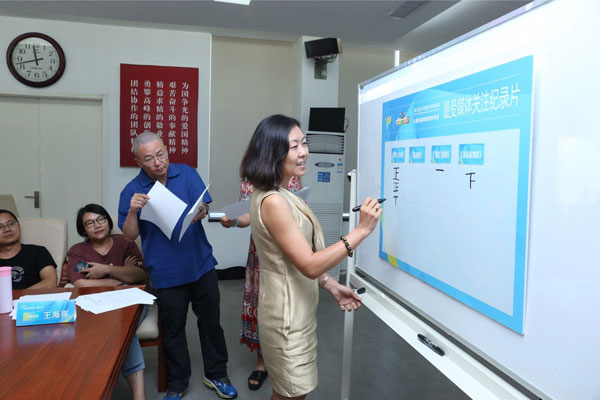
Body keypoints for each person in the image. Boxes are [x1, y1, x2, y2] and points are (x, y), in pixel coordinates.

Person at [239, 115, 382, 400]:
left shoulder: (278, 192)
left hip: (295, 310)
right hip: (286, 318)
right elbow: (308, 264)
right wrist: (361, 231)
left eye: (304, 143)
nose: (304, 152)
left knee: (291, 393)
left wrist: (330, 284)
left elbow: (294, 258)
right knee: (292, 394)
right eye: (294, 146)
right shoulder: (274, 201)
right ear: (273, 152)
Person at [118, 131, 237, 400]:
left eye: (161, 154)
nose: (158, 162)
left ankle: (217, 374)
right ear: (138, 162)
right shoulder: (132, 191)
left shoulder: (187, 173)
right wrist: (134, 210)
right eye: (149, 159)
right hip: (165, 271)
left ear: (167, 149)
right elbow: (129, 235)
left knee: (211, 323)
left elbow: (203, 208)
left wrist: (202, 212)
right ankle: (177, 383)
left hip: (200, 263)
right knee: (173, 330)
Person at [220, 176, 302, 391]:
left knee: (287, 306)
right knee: (262, 306)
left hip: (290, 252)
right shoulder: (251, 179)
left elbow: (300, 212)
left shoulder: (292, 177)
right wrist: (234, 221)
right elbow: (247, 215)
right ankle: (262, 362)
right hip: (262, 254)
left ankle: (286, 359)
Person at [66, 203, 148, 400]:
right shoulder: (78, 251)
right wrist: (122, 276)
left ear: (108, 221)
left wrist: (106, 270)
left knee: (124, 326)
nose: (97, 225)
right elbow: (80, 283)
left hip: (131, 301)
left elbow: (141, 276)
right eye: (90, 223)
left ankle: (138, 397)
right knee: (121, 330)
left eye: (100, 219)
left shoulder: (126, 243)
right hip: (96, 304)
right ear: (83, 229)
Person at [0, 209, 57, 289]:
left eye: (11, 224)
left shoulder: (38, 252)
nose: (7, 229)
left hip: (33, 297)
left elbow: (51, 282)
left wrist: (20, 294)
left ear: (19, 227)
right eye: (0, 227)